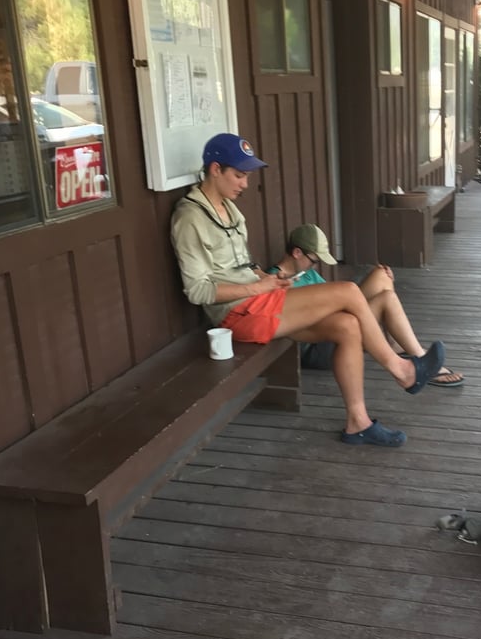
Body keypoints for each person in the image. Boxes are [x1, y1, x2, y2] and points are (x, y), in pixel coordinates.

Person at [170, 133, 445, 447]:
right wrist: (260, 285)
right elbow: (197, 291)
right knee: (349, 293)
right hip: (236, 316)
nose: (245, 184)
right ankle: (403, 370)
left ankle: (358, 423)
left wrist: (269, 278)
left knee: (348, 325)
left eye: (247, 176)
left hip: (260, 300)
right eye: (239, 175)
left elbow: (243, 267)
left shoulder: (231, 212)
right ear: (215, 169)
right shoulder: (190, 217)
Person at [268, 224, 464, 386]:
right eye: (313, 261)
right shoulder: (274, 279)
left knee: (381, 275)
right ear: (296, 252)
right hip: (320, 344)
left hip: (337, 321)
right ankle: (421, 360)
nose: (315, 266)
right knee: (386, 298)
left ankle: (395, 345)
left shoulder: (307, 273)